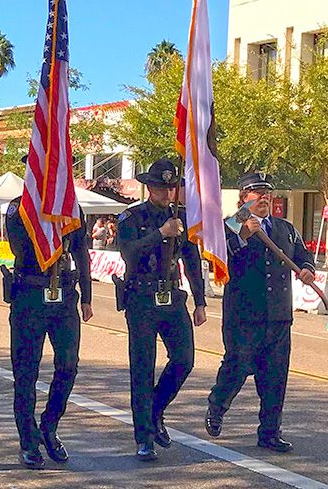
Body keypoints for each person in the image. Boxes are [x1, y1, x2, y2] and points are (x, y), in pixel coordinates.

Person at [206, 172, 315, 454]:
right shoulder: (229, 226)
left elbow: (303, 255)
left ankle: (270, 432)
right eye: (257, 192)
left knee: (275, 376)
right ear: (244, 198)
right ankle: (217, 406)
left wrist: (306, 270)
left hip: (278, 315)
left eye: (267, 192)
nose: (264, 197)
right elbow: (218, 261)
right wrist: (243, 234)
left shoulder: (284, 228)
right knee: (237, 366)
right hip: (243, 315)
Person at [116, 159, 206, 462]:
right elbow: (127, 252)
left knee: (184, 359)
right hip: (141, 298)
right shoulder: (131, 217)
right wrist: (160, 233)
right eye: (159, 187)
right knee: (142, 368)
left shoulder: (181, 218)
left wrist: (201, 300)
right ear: (149, 187)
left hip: (171, 297)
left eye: (170, 187)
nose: (166, 192)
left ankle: (155, 410)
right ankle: (144, 437)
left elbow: (192, 261)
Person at [5, 166, 93, 469]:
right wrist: (47, 221)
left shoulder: (71, 208)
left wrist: (88, 295)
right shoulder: (18, 209)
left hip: (64, 296)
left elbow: (81, 251)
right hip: (30, 294)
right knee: (26, 373)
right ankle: (27, 440)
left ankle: (49, 425)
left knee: (68, 365)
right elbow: (23, 250)